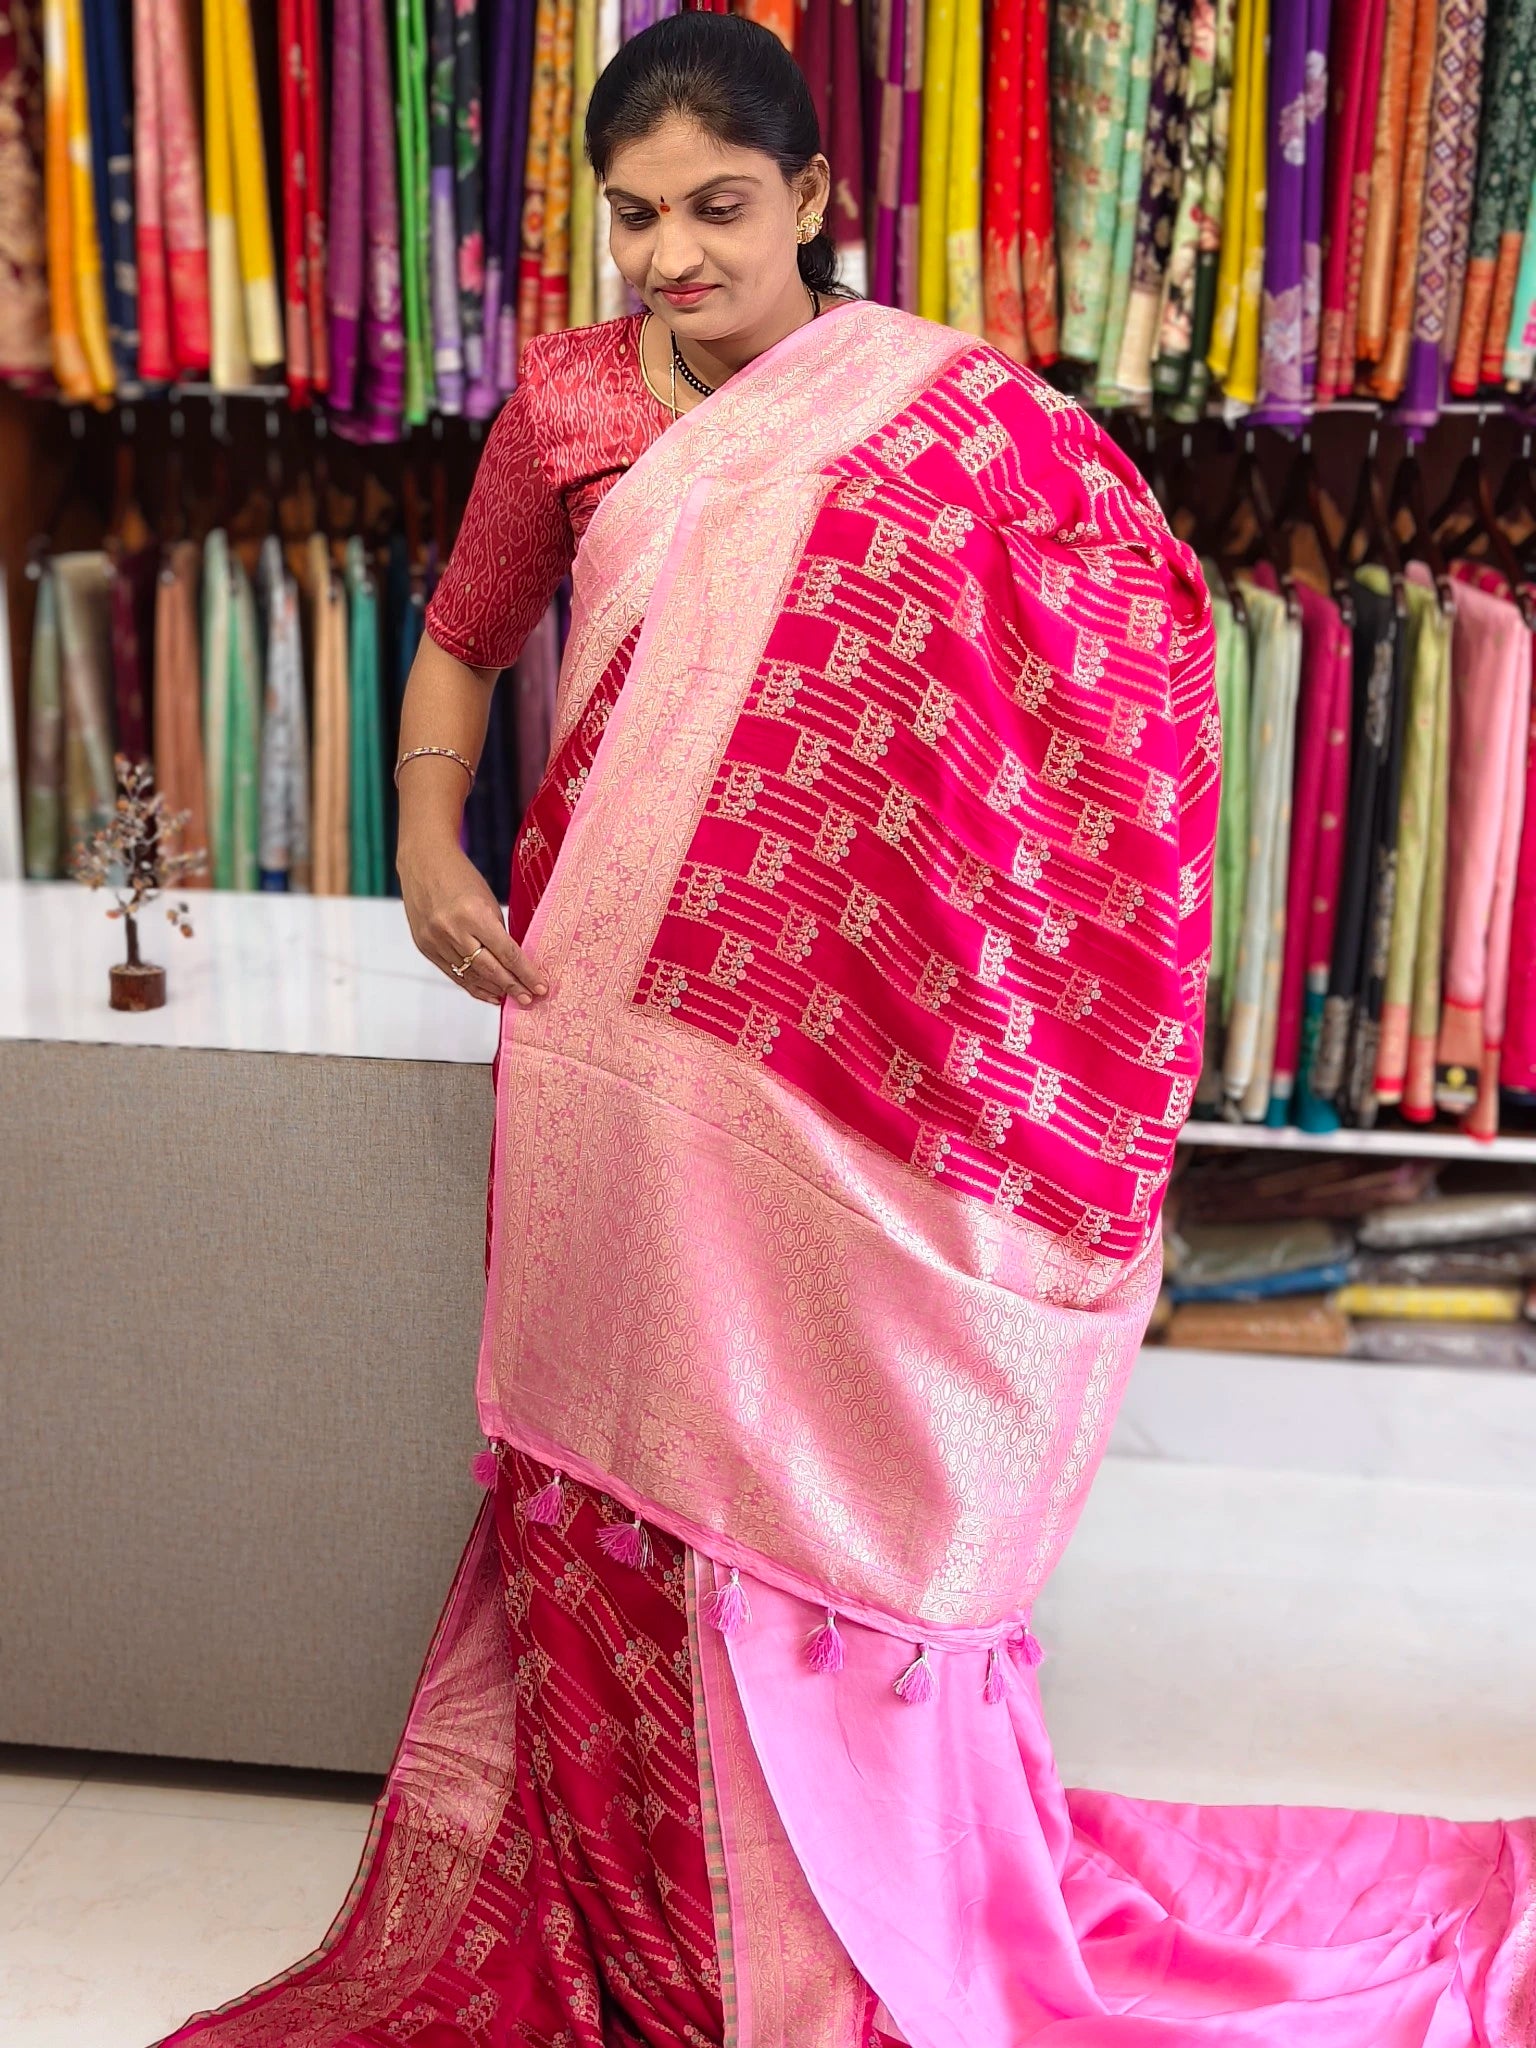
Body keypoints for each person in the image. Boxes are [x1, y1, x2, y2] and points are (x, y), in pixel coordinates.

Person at [157, 17, 1533, 2048]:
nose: (673, 254)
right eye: (635, 214)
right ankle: (639, 1870)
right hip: (608, 1033)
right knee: (614, 1466)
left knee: (816, 1483)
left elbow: (1133, 649)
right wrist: (432, 846)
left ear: (814, 196)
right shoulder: (568, 402)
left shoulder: (951, 415)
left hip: (859, 1069)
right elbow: (458, 641)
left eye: (720, 206)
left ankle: (824, 1907)